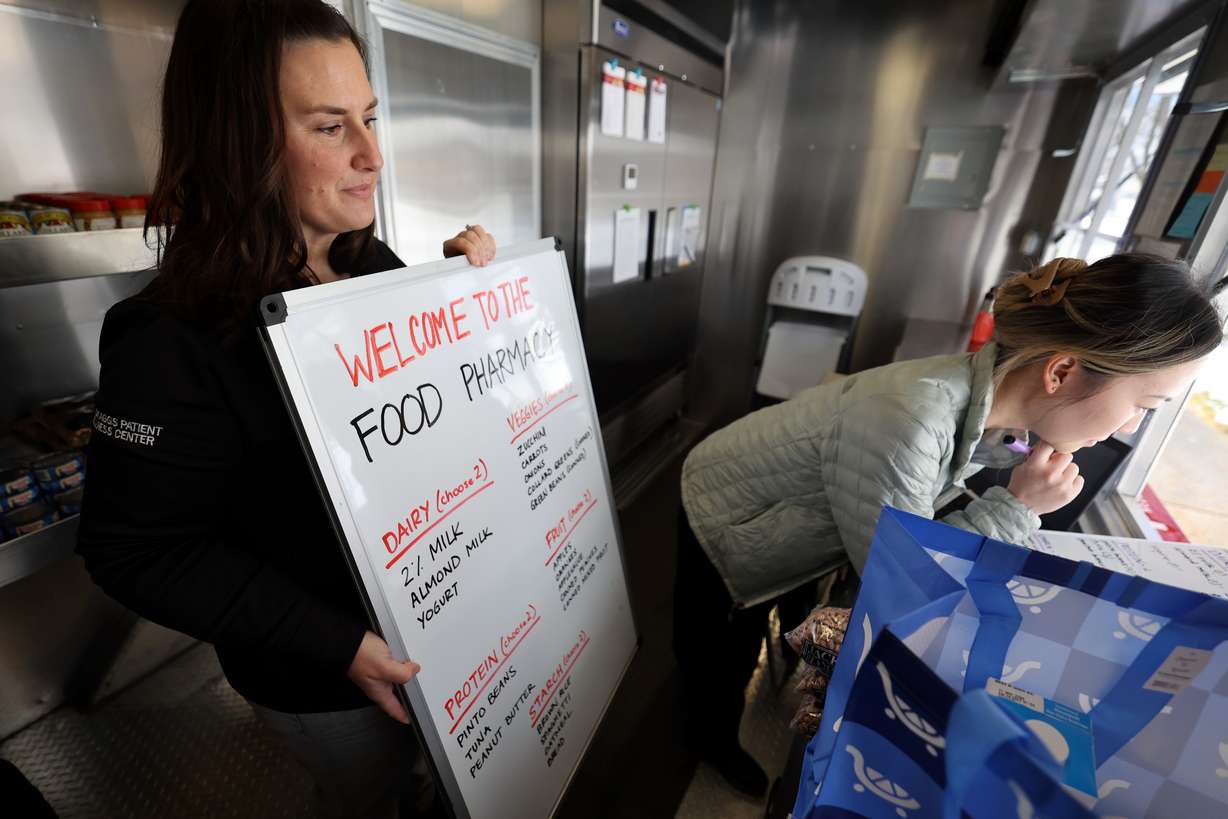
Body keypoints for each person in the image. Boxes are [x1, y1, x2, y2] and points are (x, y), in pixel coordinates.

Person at [76, 2, 496, 816]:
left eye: (370, 119)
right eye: (330, 127)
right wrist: (338, 645)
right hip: (323, 683)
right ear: (243, 144)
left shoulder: (370, 263)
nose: (373, 156)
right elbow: (133, 550)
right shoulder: (167, 337)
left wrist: (455, 304)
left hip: (438, 631)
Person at [674, 254, 1226, 797]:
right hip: (729, 514)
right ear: (1060, 371)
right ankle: (709, 739)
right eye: (1144, 405)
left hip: (803, 514)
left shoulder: (992, 406)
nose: (1129, 428)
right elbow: (903, 576)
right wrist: (1017, 507)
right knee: (721, 649)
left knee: (781, 605)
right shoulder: (911, 417)